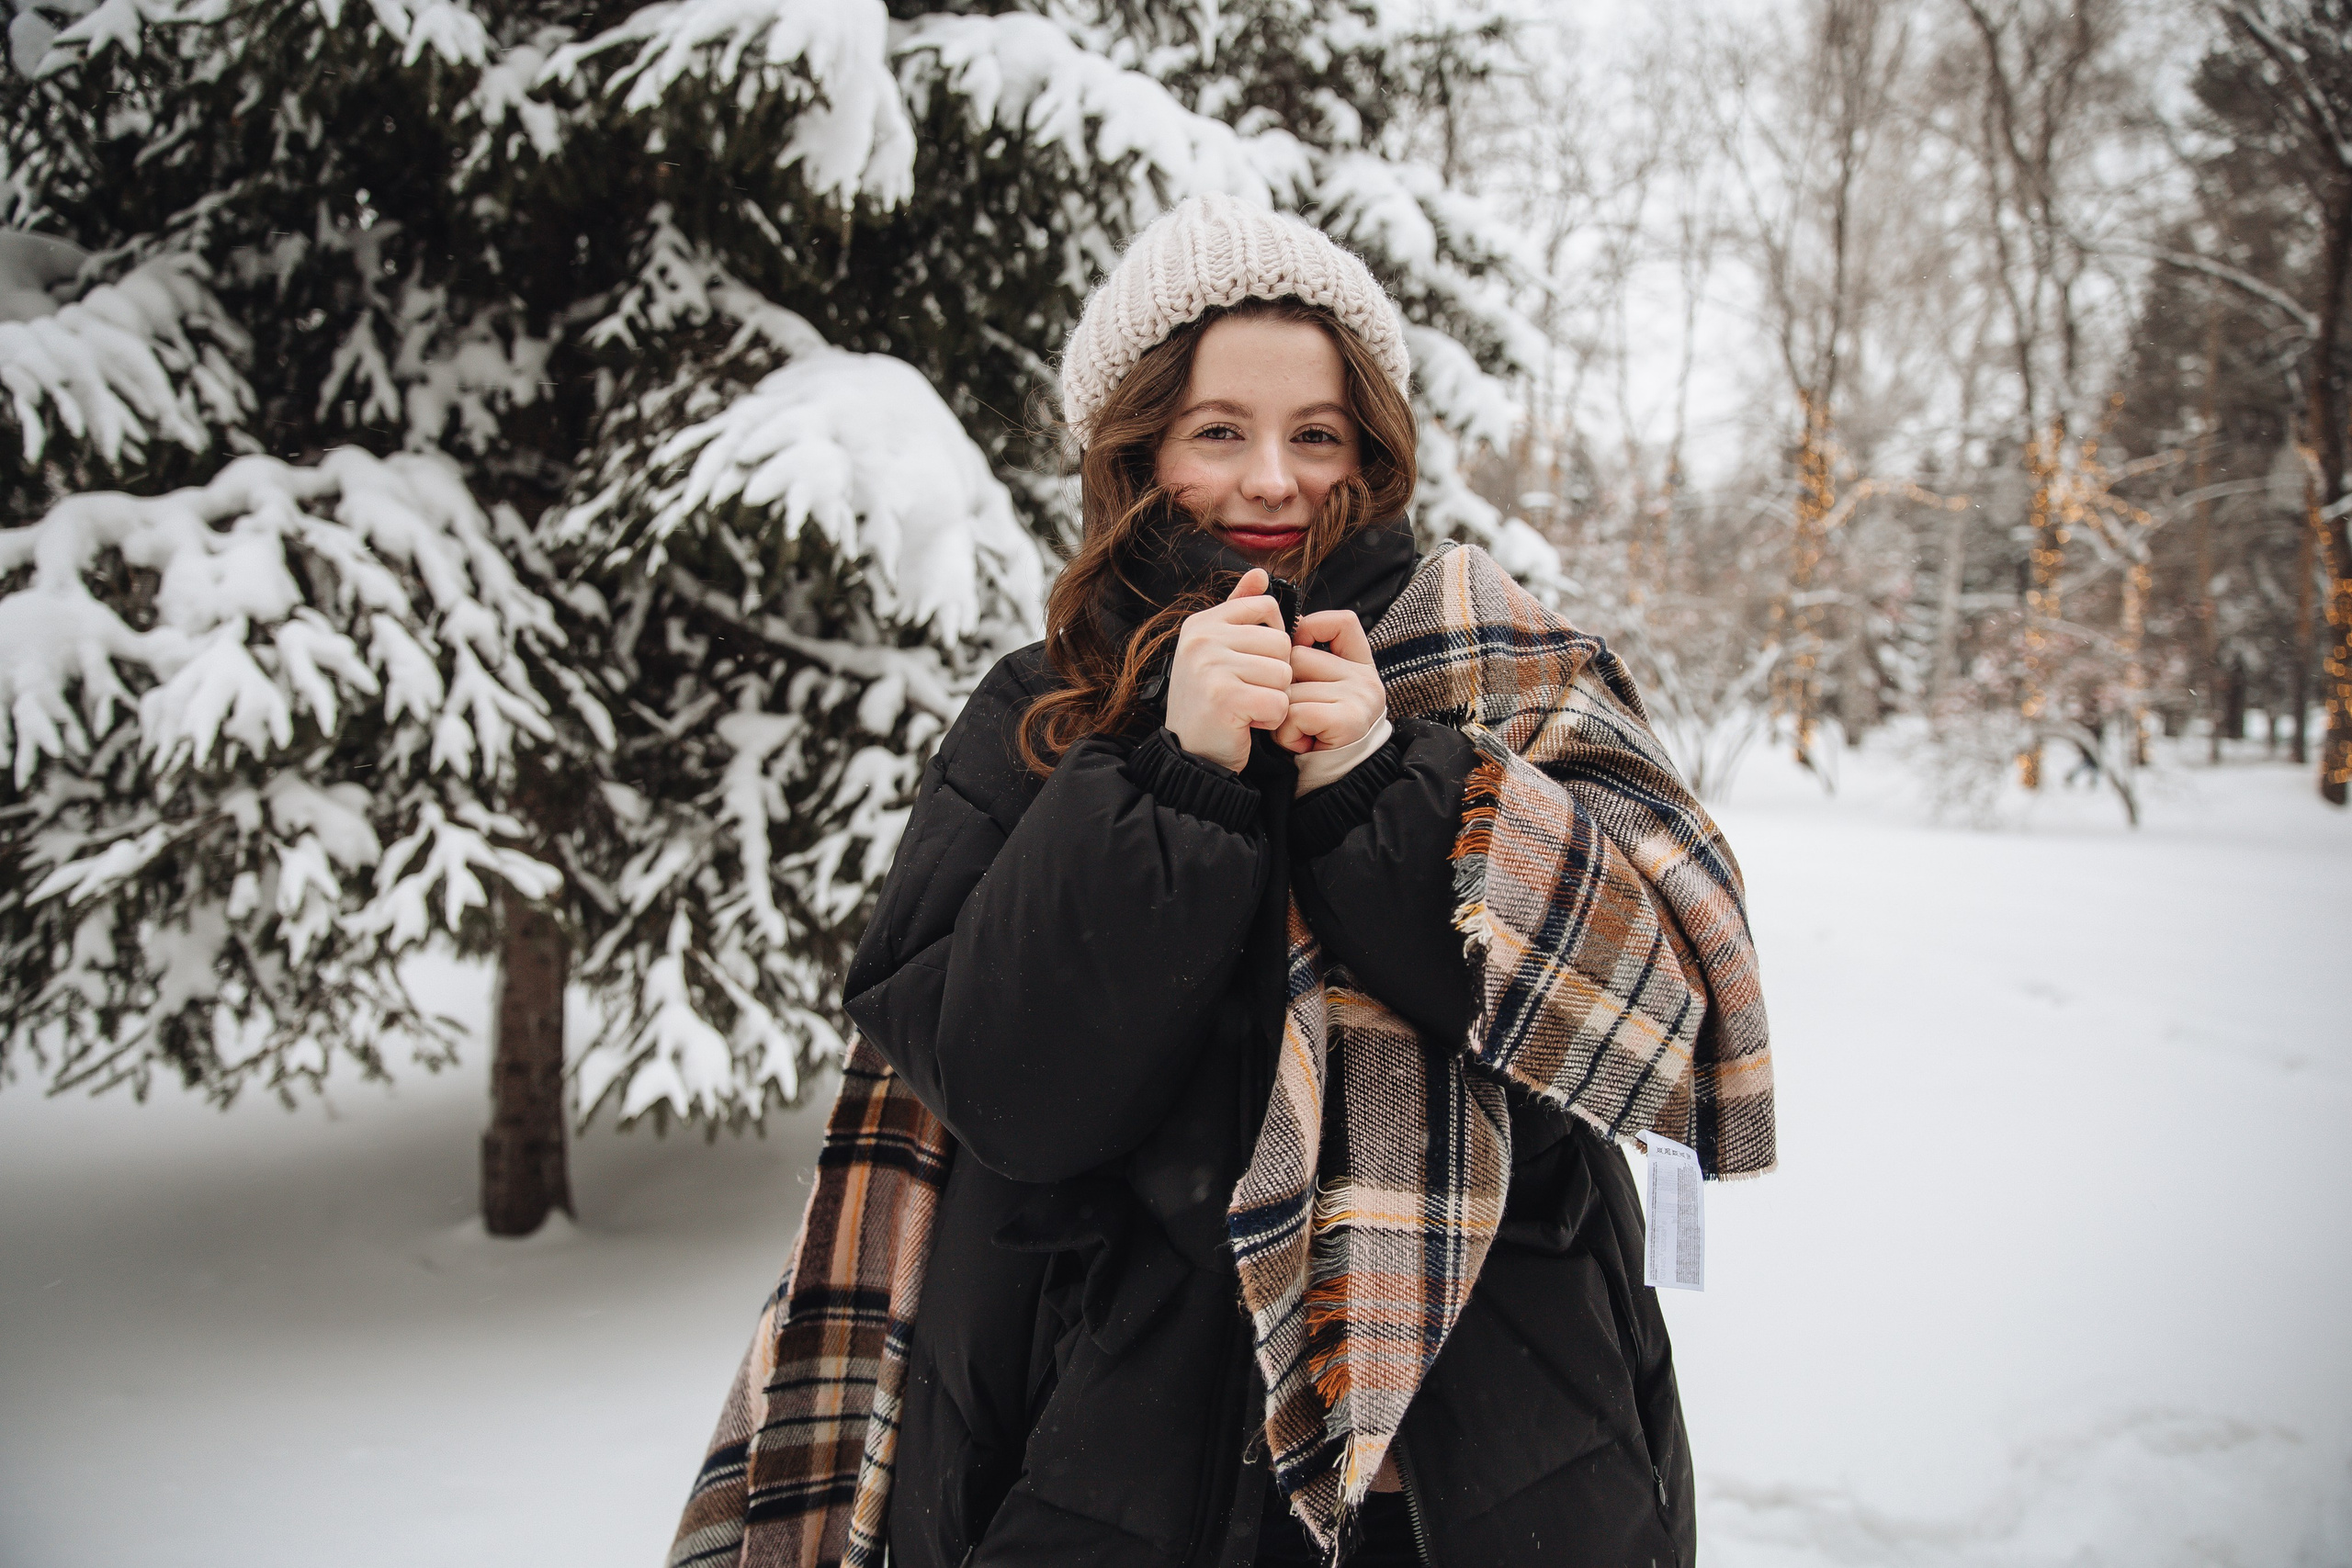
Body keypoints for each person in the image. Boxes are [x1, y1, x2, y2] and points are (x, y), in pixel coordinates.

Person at [669, 194, 1776, 1568]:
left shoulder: (1502, 677)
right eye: (1216, 433)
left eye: (1315, 434)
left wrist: (1383, 782)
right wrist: (1176, 782)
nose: (1271, 482)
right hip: (1102, 1458)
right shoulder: (1043, 714)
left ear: (1371, 449)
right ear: (1137, 449)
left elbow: (1669, 1013)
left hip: (1492, 1463)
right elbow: (1008, 1091)